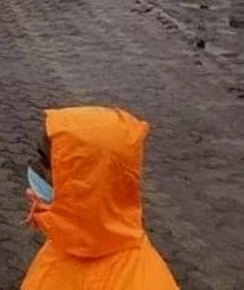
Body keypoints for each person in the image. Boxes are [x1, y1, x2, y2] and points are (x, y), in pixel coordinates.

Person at [23, 106, 179, 289]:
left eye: (46, 164)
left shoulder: (144, 282)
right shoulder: (67, 243)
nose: (37, 173)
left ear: (84, 181)